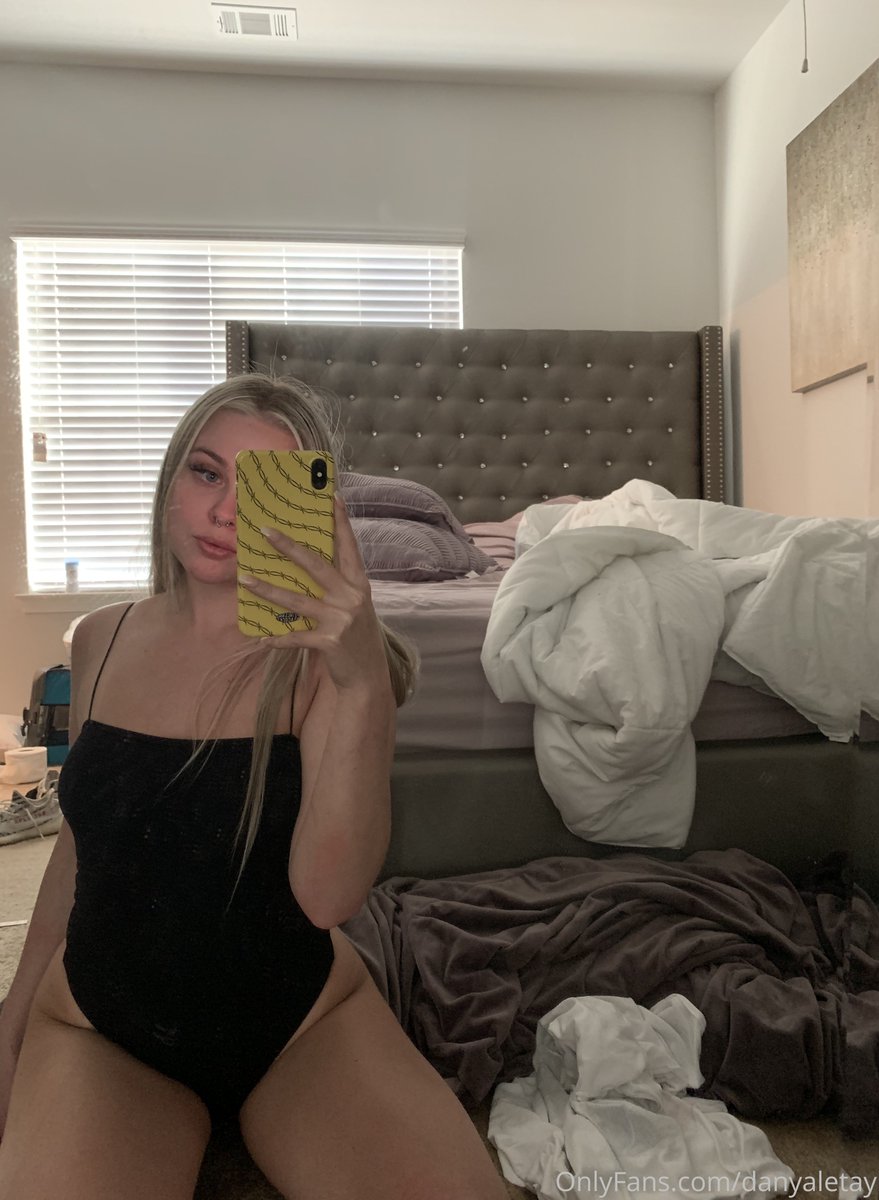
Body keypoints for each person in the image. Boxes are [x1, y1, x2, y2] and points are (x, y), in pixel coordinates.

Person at [0, 374, 508, 1200]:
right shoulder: (99, 638)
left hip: (301, 1024)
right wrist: (14, 1018)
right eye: (206, 472)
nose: (226, 512)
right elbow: (82, 848)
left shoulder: (327, 665)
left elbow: (327, 897)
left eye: (263, 489)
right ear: (171, 481)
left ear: (312, 512)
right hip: (103, 1026)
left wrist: (360, 683)